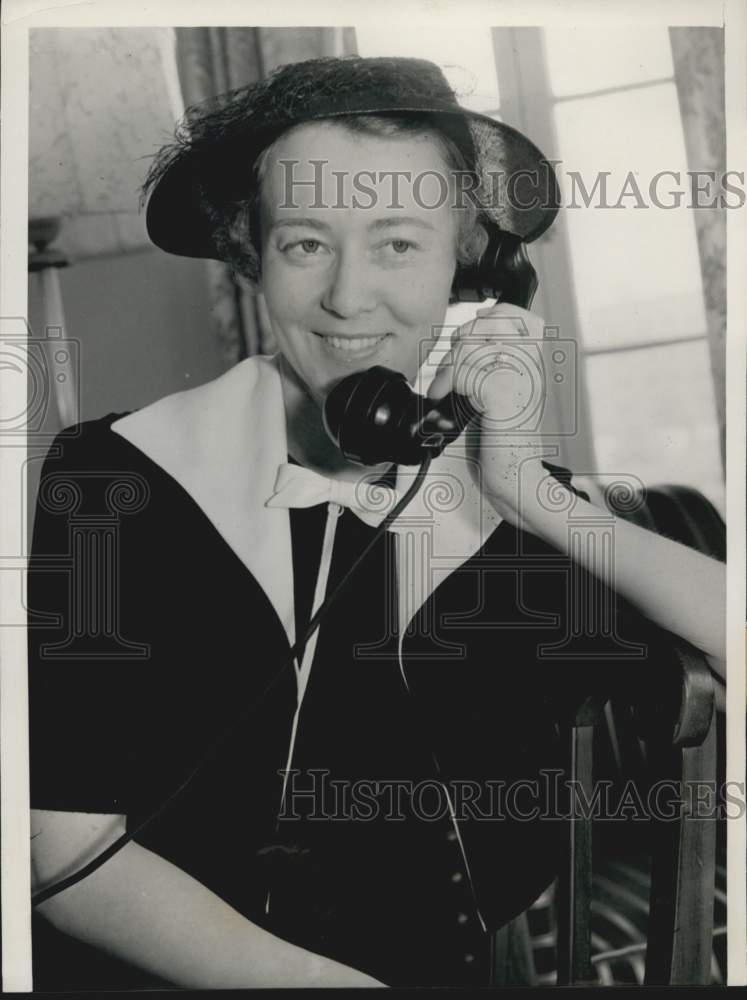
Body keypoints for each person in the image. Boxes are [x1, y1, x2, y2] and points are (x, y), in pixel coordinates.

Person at [28, 55, 726, 989]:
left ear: (470, 275)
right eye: (306, 244)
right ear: (252, 254)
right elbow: (61, 851)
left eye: (398, 244)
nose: (349, 299)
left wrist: (524, 489)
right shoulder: (113, 479)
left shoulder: (517, 504)